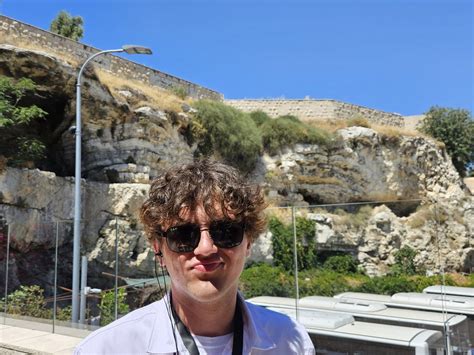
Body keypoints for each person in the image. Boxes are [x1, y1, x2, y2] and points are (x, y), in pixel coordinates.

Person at [74, 159, 315, 354]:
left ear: (248, 242)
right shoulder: (107, 348)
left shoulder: (290, 342)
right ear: (159, 249)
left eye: (226, 232)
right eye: (184, 236)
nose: (205, 248)